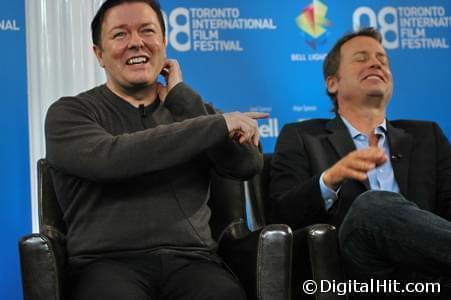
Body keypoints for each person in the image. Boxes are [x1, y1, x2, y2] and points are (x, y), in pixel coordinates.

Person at [44, 0, 267, 299]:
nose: (136, 43)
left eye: (147, 31)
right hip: (105, 265)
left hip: (194, 263)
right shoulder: (70, 113)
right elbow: (111, 159)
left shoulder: (195, 113)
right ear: (99, 54)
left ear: (163, 43)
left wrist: (184, 100)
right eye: (120, 34)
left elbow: (246, 164)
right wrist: (214, 126)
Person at [270, 27, 451, 298]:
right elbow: (280, 216)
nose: (376, 63)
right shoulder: (302, 136)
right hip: (356, 272)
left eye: (382, 59)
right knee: (371, 204)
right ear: (333, 83)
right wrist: (329, 180)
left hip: (428, 272)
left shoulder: (428, 136)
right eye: (361, 58)